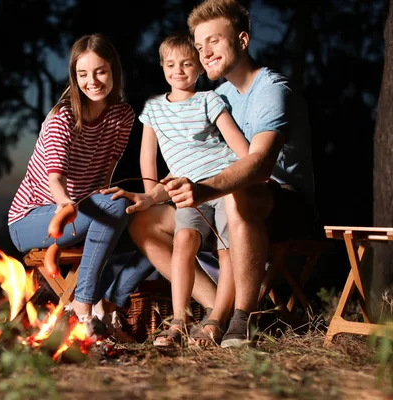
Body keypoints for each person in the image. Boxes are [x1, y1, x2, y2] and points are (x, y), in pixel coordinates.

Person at [105, 0, 315, 348]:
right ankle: (213, 309)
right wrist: (152, 194)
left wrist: (204, 190)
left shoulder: (272, 90)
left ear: (243, 40)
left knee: (237, 193)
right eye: (199, 46)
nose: (204, 53)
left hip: (284, 202)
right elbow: (195, 154)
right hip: (224, 197)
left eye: (214, 41)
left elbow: (259, 166)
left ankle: (241, 318)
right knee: (143, 222)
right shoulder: (216, 95)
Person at [7, 33, 147, 337]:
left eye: (101, 71)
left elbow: (107, 173)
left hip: (86, 213)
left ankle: (106, 304)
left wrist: (107, 202)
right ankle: (82, 304)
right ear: (74, 76)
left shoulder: (122, 116)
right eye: (83, 74)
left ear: (113, 72)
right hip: (33, 217)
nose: (92, 81)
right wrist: (66, 204)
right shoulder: (63, 117)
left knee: (154, 228)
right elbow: (53, 177)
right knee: (117, 206)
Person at [137, 32, 249, 347]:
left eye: (187, 63)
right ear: (162, 67)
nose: (179, 70)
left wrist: (251, 171)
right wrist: (149, 194)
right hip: (187, 193)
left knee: (226, 249)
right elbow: (148, 157)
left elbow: (236, 143)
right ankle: (178, 320)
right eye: (171, 64)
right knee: (184, 240)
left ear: (200, 67)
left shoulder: (208, 100)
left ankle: (215, 322)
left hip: (223, 185)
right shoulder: (154, 109)